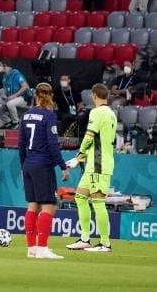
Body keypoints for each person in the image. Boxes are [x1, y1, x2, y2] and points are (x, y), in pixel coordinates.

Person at [64, 83, 117, 253]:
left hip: (98, 165)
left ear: (94, 96)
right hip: (96, 162)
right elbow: (99, 142)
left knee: (98, 202)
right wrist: (82, 158)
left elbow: (89, 137)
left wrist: (78, 156)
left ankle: (105, 243)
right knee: (80, 197)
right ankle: (85, 239)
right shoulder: (111, 114)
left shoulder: (97, 112)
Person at [19, 83, 70, 260]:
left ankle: (31, 248)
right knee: (49, 206)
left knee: (32, 205)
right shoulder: (49, 116)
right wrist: (62, 166)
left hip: (28, 164)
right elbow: (52, 144)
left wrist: (23, 166)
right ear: (50, 96)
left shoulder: (26, 115)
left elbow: (21, 144)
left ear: (35, 96)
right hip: (43, 166)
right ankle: (42, 248)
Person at [0, 60, 31, 129]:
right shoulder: (5, 76)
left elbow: (25, 86)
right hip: (11, 99)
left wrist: (14, 96)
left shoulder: (16, 74)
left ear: (5, 66)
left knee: (10, 104)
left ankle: (16, 122)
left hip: (23, 98)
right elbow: (7, 90)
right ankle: (9, 122)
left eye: (0, 65)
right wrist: (5, 96)